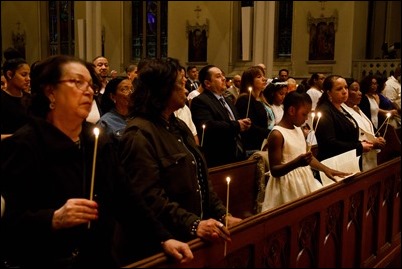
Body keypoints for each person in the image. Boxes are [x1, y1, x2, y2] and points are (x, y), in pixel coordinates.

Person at [0, 55, 193, 268]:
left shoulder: (96, 140)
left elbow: (126, 198)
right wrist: (53, 218)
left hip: (98, 258)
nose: (88, 91)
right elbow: (11, 221)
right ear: (50, 91)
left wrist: (163, 238)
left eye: (90, 85)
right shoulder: (26, 144)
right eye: (77, 82)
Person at [119, 57, 241, 246]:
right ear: (162, 89)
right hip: (167, 240)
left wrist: (222, 214)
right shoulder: (139, 134)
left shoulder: (178, 125)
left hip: (194, 234)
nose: (186, 90)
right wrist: (193, 224)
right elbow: (148, 197)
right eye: (180, 84)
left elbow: (201, 178)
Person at [261, 91, 350, 212]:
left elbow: (307, 157)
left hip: (303, 180)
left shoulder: (299, 130)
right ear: (292, 110)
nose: (306, 118)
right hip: (285, 186)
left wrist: (326, 169)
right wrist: (297, 163)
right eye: (304, 114)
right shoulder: (277, 134)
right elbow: (275, 170)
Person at [190, 64, 252, 167]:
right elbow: (209, 126)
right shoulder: (201, 101)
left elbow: (234, 120)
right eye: (218, 76)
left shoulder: (227, 100)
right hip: (219, 157)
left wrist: (243, 124)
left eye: (223, 75)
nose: (224, 78)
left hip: (237, 154)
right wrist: (237, 125)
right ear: (207, 83)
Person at [314, 75, 373, 169]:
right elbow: (329, 143)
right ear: (329, 93)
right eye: (339, 89)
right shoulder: (325, 111)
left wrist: (360, 142)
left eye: (345, 87)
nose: (345, 91)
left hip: (348, 160)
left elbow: (346, 135)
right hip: (334, 164)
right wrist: (359, 146)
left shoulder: (340, 107)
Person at [341, 78, 386, 171]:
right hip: (356, 157)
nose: (360, 93)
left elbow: (367, 129)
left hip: (368, 155)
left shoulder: (356, 108)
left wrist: (377, 138)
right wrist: (372, 143)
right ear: (345, 92)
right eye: (355, 89)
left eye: (359, 89)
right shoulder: (341, 111)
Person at [235, 65, 270, 156]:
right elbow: (249, 126)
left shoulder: (261, 99)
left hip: (262, 144)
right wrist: (271, 133)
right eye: (259, 77)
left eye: (263, 76)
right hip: (251, 148)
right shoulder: (245, 99)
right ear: (250, 81)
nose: (264, 79)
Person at [1, 47, 31, 140]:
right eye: (24, 75)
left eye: (29, 75)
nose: (28, 79)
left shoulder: (30, 99)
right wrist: (16, 137)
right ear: (10, 74)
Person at [97, 76, 134, 148]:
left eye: (132, 89)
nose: (131, 93)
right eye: (125, 89)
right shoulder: (105, 122)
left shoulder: (138, 117)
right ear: (113, 96)